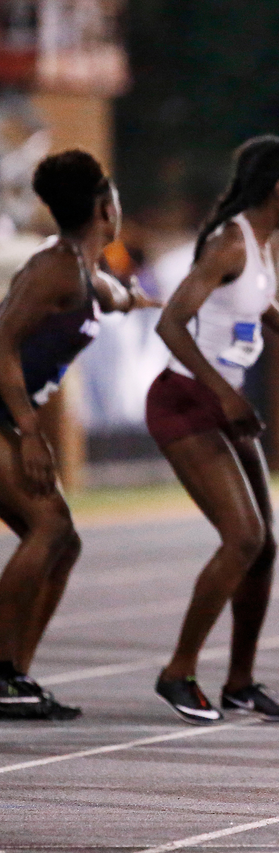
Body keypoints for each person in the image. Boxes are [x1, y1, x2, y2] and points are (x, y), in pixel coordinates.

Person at [147, 136, 279, 725]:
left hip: (219, 405)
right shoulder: (230, 240)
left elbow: (252, 302)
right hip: (184, 401)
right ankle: (177, 671)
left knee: (264, 545)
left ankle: (241, 682)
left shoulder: (260, 243)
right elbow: (172, 323)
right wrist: (225, 395)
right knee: (244, 538)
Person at [0, 150, 157, 720]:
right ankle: (2, 670)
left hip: (10, 415)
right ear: (104, 207)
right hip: (4, 415)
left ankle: (15, 672)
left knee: (62, 540)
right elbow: (3, 340)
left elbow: (113, 295)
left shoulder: (84, 270)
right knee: (48, 528)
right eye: (114, 197)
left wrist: (140, 300)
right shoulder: (54, 267)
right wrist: (29, 432)